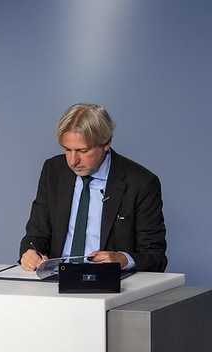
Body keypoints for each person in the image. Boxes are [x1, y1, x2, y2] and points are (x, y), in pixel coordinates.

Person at [19, 103, 167, 272]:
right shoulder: (53, 170)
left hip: (108, 280)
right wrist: (30, 253)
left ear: (107, 142)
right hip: (57, 277)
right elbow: (36, 235)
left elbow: (155, 257)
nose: (73, 161)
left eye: (83, 151)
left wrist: (123, 259)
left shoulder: (141, 182)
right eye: (67, 149)